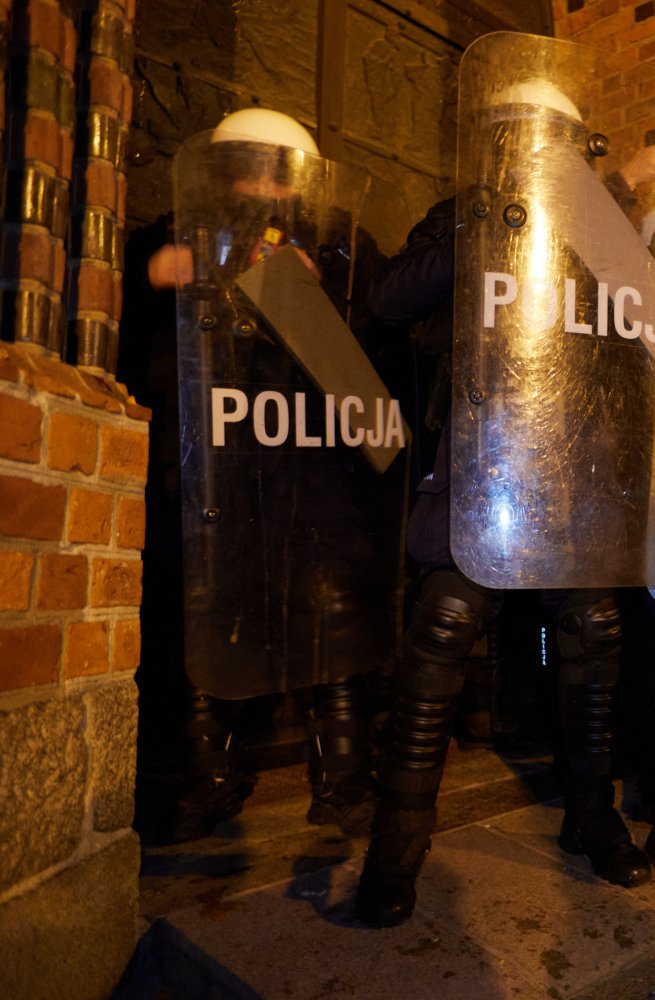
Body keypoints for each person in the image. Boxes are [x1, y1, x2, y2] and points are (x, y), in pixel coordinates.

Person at [353, 63, 655, 927]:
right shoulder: (468, 212)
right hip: (479, 462)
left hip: (574, 470)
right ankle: (398, 841)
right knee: (442, 626)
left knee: (590, 636)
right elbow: (390, 302)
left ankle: (593, 815)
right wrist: (491, 225)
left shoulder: (598, 226)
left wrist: (603, 210)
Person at [121, 108, 396, 844]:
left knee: (329, 619)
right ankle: (209, 781)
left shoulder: (342, 244)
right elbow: (120, 318)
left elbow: (379, 330)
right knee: (211, 614)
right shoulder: (171, 232)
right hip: (208, 466)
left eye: (282, 175)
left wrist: (327, 286)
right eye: (254, 170)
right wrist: (159, 274)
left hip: (311, 469)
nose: (268, 189)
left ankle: (342, 781)